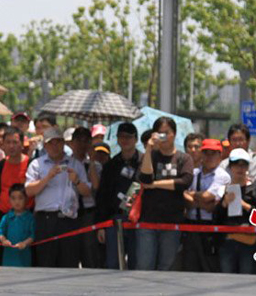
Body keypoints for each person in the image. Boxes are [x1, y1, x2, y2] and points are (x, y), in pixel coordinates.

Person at [25, 127, 91, 268]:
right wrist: (48, 177)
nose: (55, 146)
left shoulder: (75, 164)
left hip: (69, 220)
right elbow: (29, 191)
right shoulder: (37, 164)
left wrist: (77, 181)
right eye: (51, 143)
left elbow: (87, 192)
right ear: (45, 145)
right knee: (45, 262)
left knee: (69, 262)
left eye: (58, 142)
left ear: (64, 143)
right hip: (45, 219)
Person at [136, 116, 193, 271]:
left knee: (166, 267)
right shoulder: (150, 156)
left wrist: (155, 185)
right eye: (159, 133)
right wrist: (148, 149)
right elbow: (145, 178)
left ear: (174, 134)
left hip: (172, 220)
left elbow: (185, 182)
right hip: (148, 220)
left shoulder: (183, 158)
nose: (163, 137)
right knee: (144, 266)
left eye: (166, 133)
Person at [95, 121, 141, 269]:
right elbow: (102, 196)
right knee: (112, 264)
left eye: (129, 137)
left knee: (136, 263)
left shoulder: (144, 162)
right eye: (121, 137)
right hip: (114, 219)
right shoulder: (111, 165)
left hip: (138, 219)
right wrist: (101, 225)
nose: (125, 140)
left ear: (136, 139)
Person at [182, 138, 230, 272]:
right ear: (201, 154)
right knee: (189, 268)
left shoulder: (222, 176)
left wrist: (193, 195)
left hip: (210, 229)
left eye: (213, 153)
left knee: (209, 268)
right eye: (206, 153)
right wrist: (200, 200)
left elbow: (210, 199)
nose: (209, 157)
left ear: (220, 156)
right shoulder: (193, 173)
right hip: (191, 226)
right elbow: (184, 196)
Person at [0, 127, 31, 265]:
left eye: (15, 142)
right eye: (8, 142)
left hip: (26, 218)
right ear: (3, 144)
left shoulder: (31, 164)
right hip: (4, 218)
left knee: (25, 257)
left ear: (22, 144)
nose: (11, 146)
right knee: (0, 259)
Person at [215, 148, 256, 274]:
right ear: (231, 167)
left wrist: (245, 205)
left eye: (244, 165)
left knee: (247, 278)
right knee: (226, 278)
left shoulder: (254, 190)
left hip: (248, 241)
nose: (240, 168)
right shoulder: (224, 189)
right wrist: (224, 203)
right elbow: (216, 217)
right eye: (236, 165)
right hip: (227, 241)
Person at [69, 126, 101, 268]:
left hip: (88, 213)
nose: (82, 145)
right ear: (72, 142)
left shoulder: (94, 165)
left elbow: (96, 186)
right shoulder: (66, 163)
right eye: (79, 141)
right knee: (70, 252)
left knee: (89, 253)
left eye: (85, 141)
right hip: (70, 213)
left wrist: (92, 161)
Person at [218, 124, 256, 193]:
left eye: (241, 139)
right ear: (229, 142)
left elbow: (251, 187)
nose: (237, 143)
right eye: (234, 140)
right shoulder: (223, 165)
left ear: (248, 140)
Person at [0, 183, 35, 267]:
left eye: (20, 198)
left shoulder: (30, 218)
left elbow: (32, 235)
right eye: (13, 198)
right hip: (8, 255)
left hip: (24, 256)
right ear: (9, 200)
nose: (17, 201)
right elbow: (0, 231)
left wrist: (24, 243)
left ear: (26, 199)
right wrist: (4, 240)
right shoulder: (6, 217)